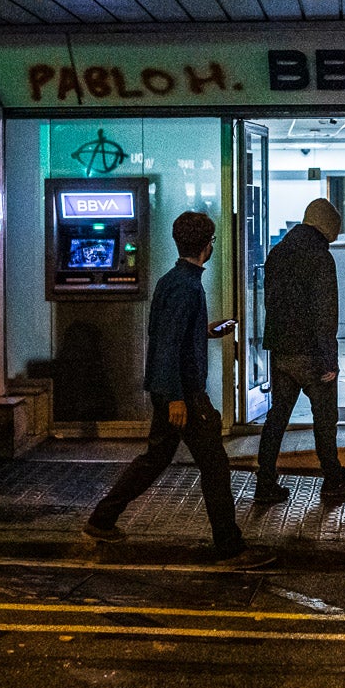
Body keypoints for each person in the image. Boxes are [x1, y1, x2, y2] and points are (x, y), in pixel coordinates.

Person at [82, 211, 275, 570]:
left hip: (170, 389)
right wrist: (175, 398)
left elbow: (168, 332)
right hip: (184, 394)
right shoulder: (187, 286)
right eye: (213, 242)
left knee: (154, 460)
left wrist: (206, 330)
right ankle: (229, 549)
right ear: (207, 246)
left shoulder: (172, 280)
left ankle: (102, 520)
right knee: (215, 466)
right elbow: (168, 342)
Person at [253, 198, 345, 505]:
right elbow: (325, 311)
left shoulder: (277, 252)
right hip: (312, 353)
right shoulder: (320, 257)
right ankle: (333, 478)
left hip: (281, 351)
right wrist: (329, 357)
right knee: (325, 419)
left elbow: (271, 303)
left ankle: (265, 483)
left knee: (277, 418)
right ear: (327, 226)